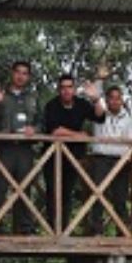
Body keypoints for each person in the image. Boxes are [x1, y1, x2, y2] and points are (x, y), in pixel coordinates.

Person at [0, 61, 40, 234]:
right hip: (4, 148)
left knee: (24, 188)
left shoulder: (33, 97)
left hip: (25, 149)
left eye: (25, 73)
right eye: (18, 72)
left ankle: (24, 228)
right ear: (12, 73)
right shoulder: (0, 93)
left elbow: (42, 122)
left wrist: (35, 129)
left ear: (28, 77)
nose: (20, 76)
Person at [41, 74, 95, 232]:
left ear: (74, 89)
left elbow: (100, 116)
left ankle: (64, 228)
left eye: (69, 87)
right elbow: (56, 131)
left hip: (73, 157)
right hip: (53, 157)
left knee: (67, 193)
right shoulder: (52, 105)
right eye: (63, 87)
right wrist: (79, 135)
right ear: (59, 90)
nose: (66, 90)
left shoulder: (81, 104)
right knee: (52, 192)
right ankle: (52, 229)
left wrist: (96, 99)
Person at [86, 84, 132, 235]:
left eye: (118, 98)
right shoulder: (99, 114)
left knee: (120, 196)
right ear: (107, 100)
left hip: (120, 161)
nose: (116, 102)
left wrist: (130, 158)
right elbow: (95, 105)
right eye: (112, 99)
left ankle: (122, 229)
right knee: (98, 194)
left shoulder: (128, 118)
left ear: (122, 100)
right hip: (101, 159)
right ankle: (96, 229)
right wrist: (97, 92)